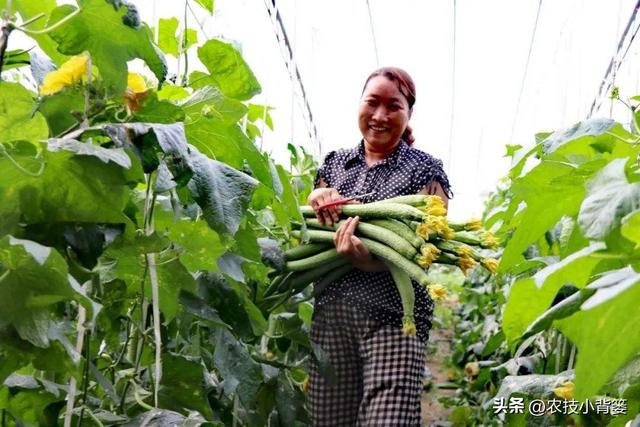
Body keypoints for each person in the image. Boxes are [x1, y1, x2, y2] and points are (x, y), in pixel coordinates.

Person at [306, 67, 452, 426]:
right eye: (373, 102)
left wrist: (368, 259)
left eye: (394, 106)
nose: (380, 116)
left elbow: (426, 244)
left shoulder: (426, 171)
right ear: (360, 104)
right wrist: (317, 195)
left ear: (409, 113)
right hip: (332, 316)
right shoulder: (335, 163)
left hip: (394, 318)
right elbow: (311, 222)